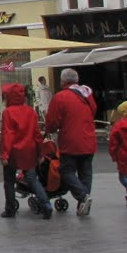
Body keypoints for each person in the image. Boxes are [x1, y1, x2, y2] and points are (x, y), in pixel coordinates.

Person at [44, 68, 96, 217]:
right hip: (89, 139)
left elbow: (52, 121)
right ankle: (83, 205)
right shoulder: (87, 93)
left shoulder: (61, 97)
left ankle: (83, 196)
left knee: (66, 170)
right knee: (86, 173)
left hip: (71, 140)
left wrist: (50, 129)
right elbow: (93, 110)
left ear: (63, 81)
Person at [0, 82, 51, 219]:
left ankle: (10, 209)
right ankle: (46, 204)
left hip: (14, 152)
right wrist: (40, 152)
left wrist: (4, 154)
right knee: (32, 180)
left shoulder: (8, 112)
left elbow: (7, 135)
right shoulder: (30, 111)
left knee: (9, 181)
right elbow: (37, 134)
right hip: (30, 150)